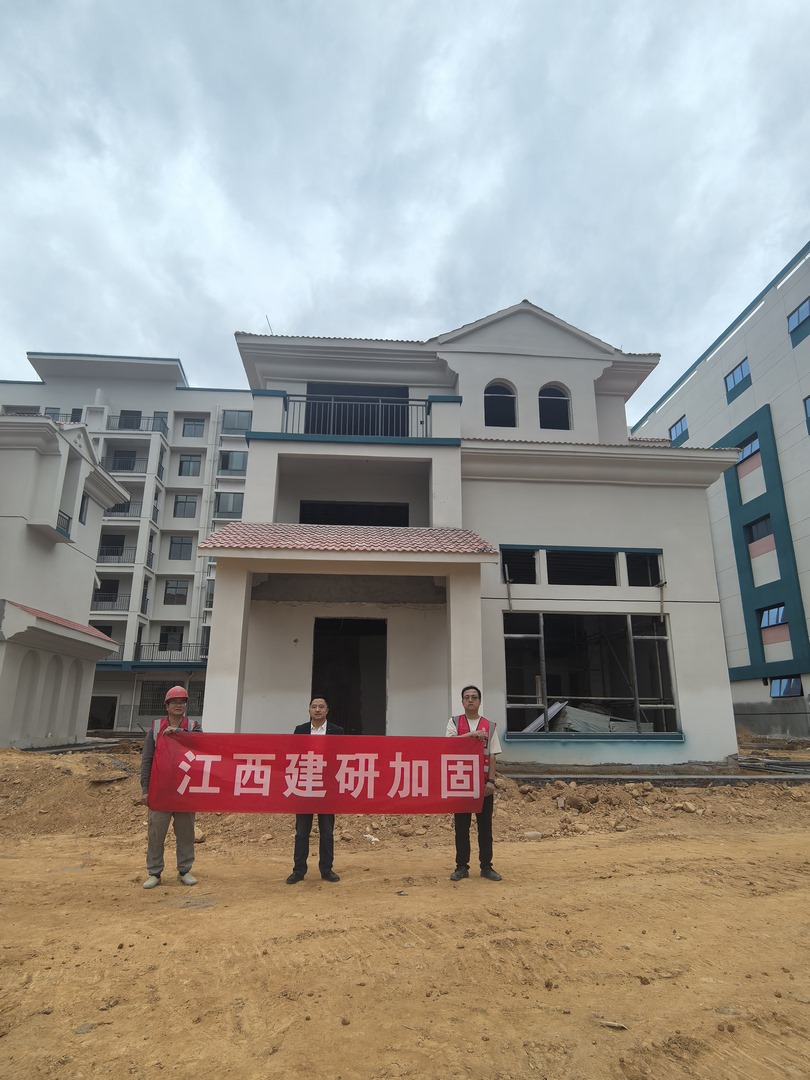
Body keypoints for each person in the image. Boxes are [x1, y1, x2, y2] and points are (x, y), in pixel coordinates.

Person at [140, 685, 202, 889]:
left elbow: (201, 744)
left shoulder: (193, 726)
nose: (179, 705)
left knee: (185, 833)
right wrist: (145, 789)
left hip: (185, 790)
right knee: (156, 833)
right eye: (174, 702)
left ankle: (184, 870)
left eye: (182, 701)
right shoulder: (156, 728)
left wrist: (179, 733)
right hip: (161, 790)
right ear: (166, 705)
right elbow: (147, 759)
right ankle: (154, 872)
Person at [446, 685, 503, 881]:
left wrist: (491, 781)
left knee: (485, 828)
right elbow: (448, 744)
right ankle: (461, 866)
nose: (470, 700)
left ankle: (486, 867)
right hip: (461, 784)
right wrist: (471, 735)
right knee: (461, 828)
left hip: (483, 785)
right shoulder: (454, 722)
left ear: (480, 701)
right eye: (467, 697)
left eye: (474, 697)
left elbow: (493, 756)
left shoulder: (490, 726)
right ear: (462, 701)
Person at [287, 696, 344, 884]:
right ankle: (298, 871)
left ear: (327, 710)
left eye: (321, 706)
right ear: (309, 710)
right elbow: (292, 755)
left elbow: (342, 757)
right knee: (302, 832)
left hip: (327, 787)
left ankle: (326, 870)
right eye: (314, 706)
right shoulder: (300, 730)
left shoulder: (337, 731)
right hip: (305, 785)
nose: (317, 709)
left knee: (327, 831)